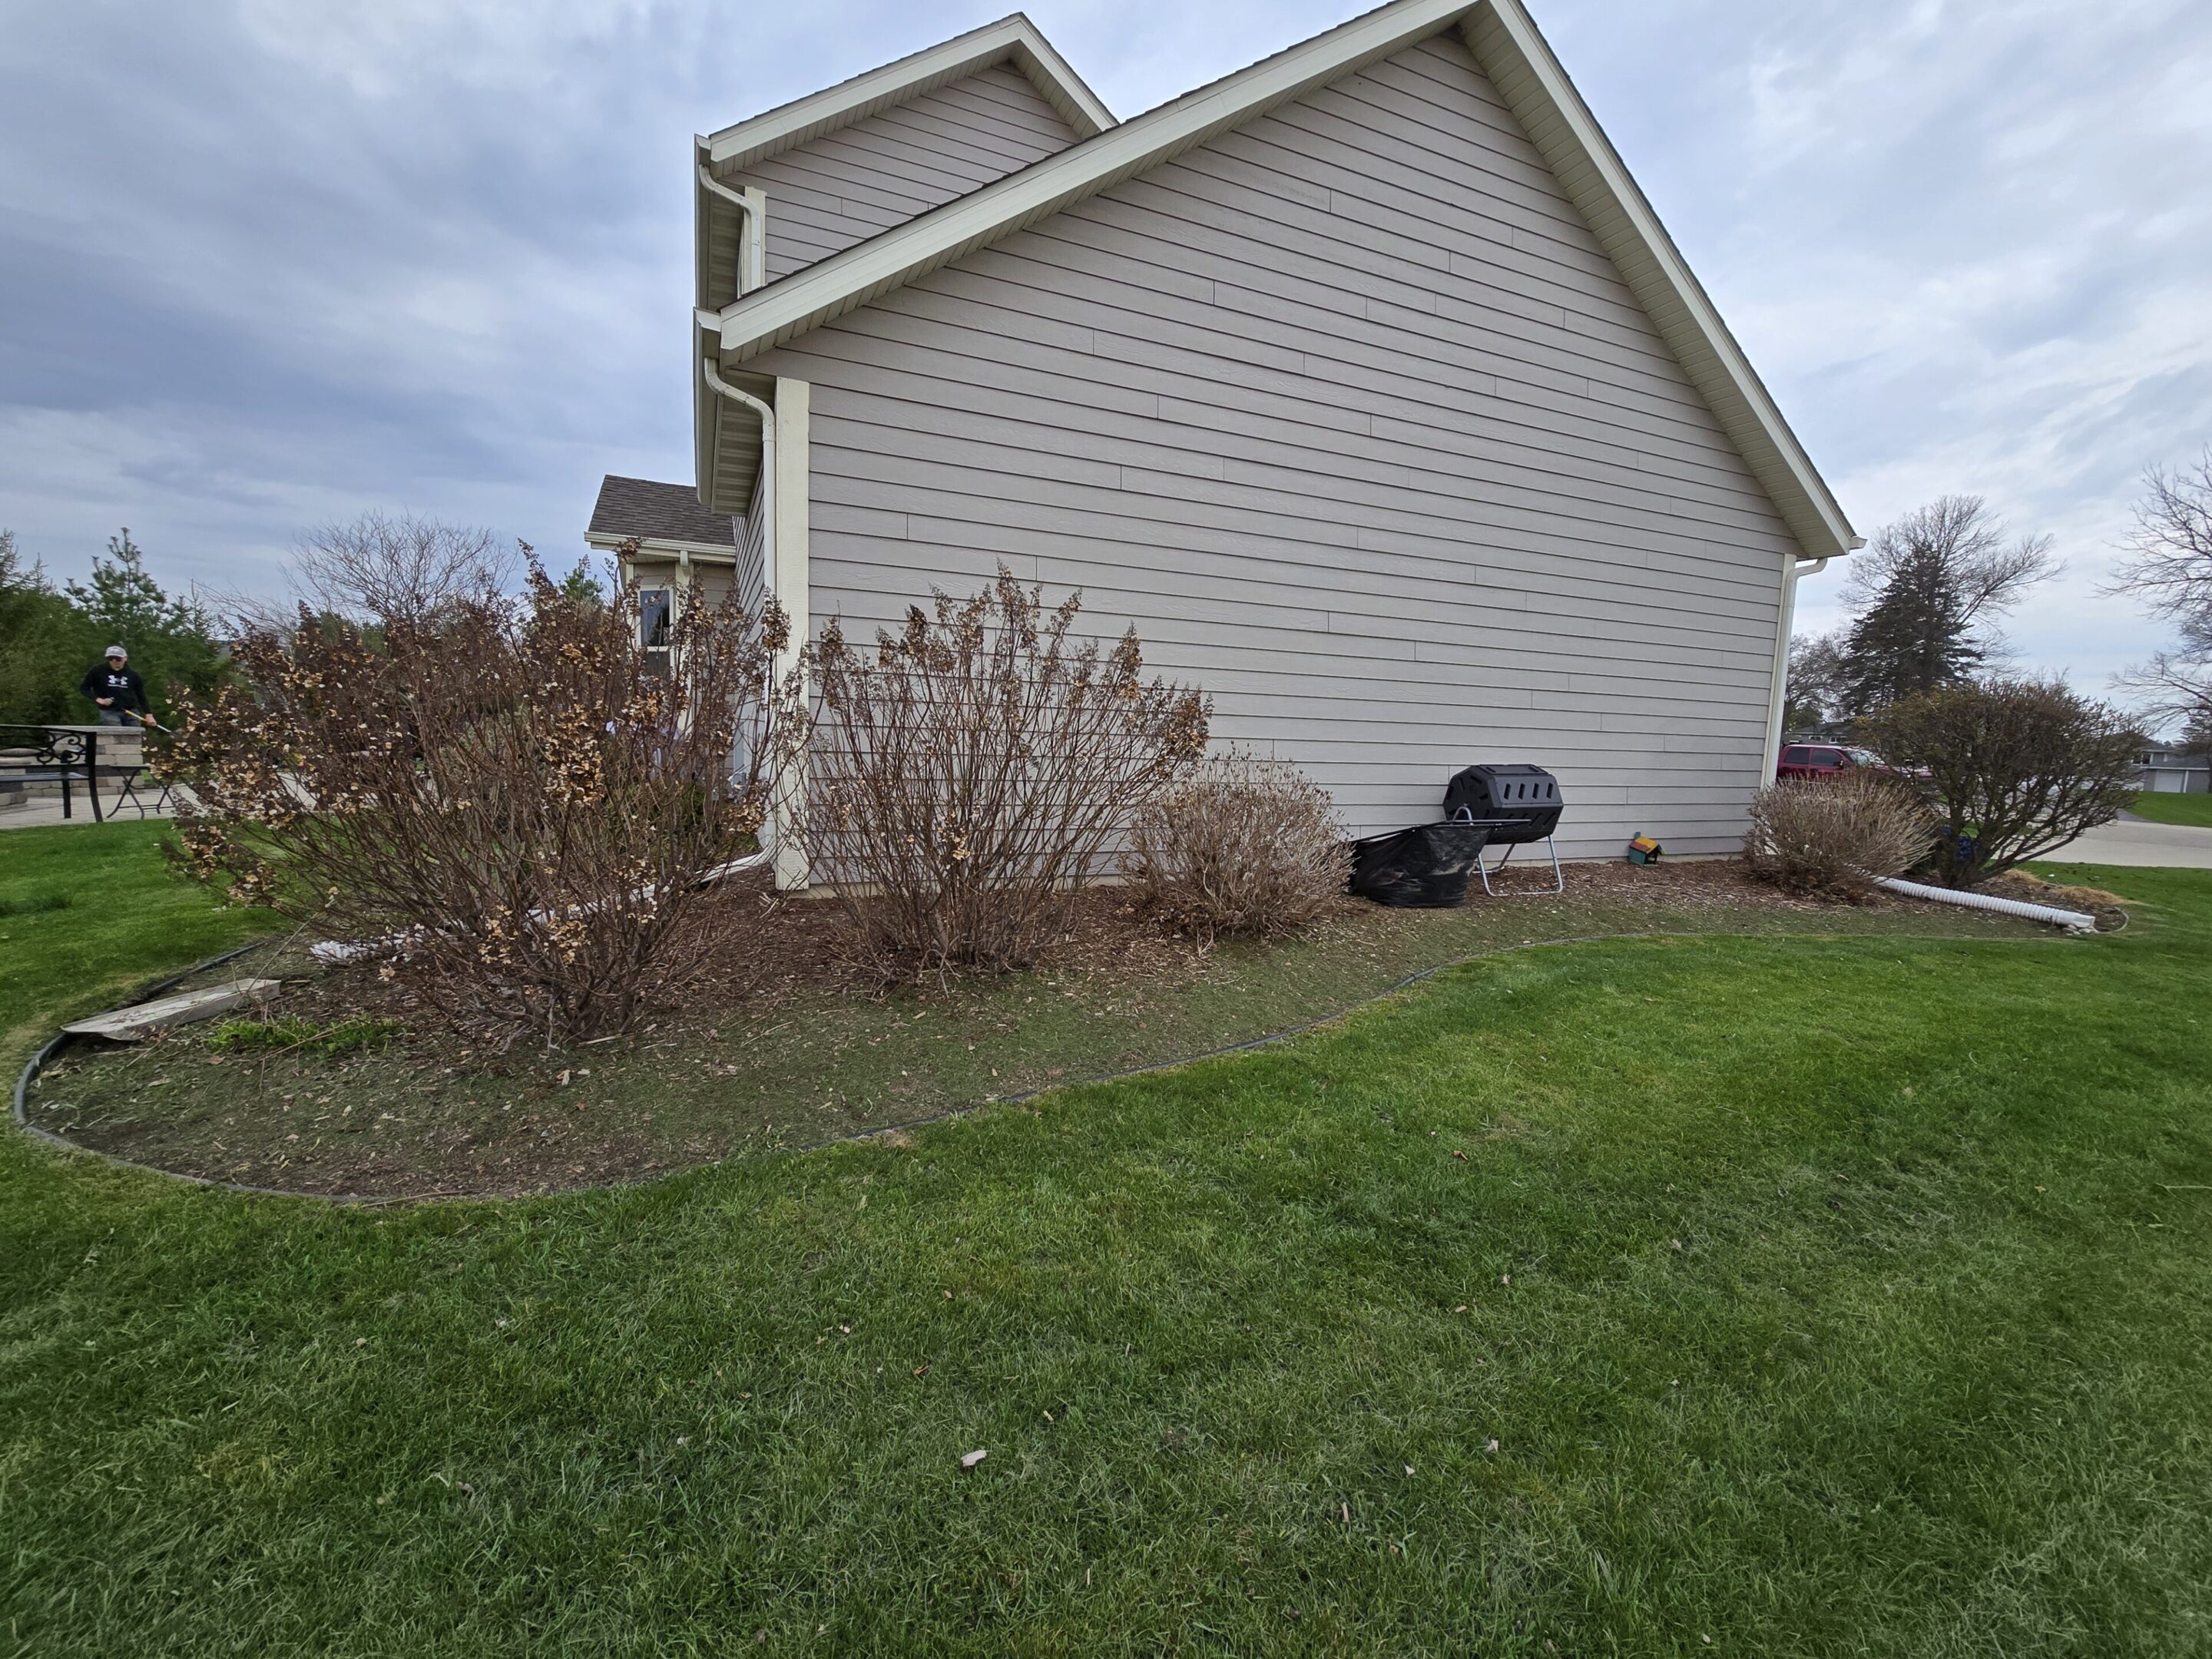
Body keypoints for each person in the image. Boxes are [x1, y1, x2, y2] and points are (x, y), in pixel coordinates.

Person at [80, 645, 152, 727]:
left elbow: (141, 696)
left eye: (118, 658)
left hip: (131, 712)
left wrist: (148, 714)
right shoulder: (97, 671)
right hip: (109, 712)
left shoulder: (133, 675)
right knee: (116, 735)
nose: (114, 661)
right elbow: (84, 689)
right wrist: (99, 699)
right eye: (111, 658)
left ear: (125, 658)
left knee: (134, 737)